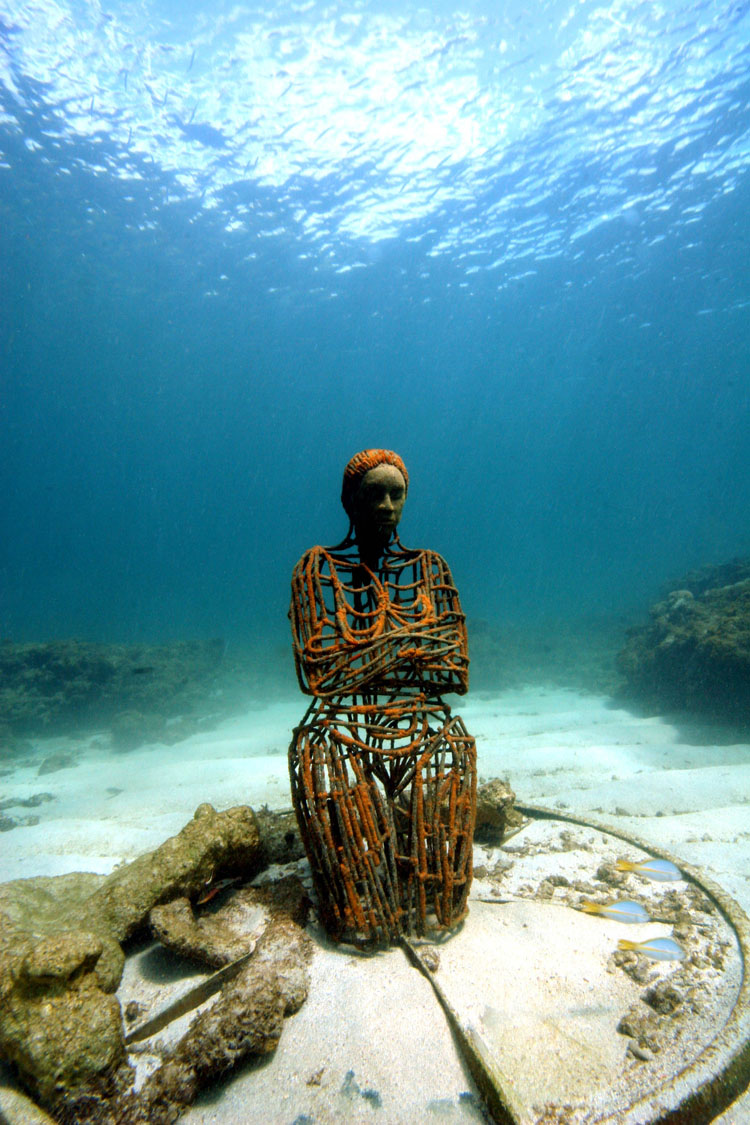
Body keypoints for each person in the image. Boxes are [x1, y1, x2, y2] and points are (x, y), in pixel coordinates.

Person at [288, 449, 476, 944]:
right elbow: (319, 676)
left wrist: (366, 653)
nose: (388, 505)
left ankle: (432, 895)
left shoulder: (430, 568)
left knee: (455, 746)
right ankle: (363, 908)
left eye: (397, 494)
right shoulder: (316, 567)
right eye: (375, 494)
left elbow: (454, 671)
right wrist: (413, 648)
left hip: (422, 718)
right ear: (349, 501)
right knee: (319, 749)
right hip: (342, 722)